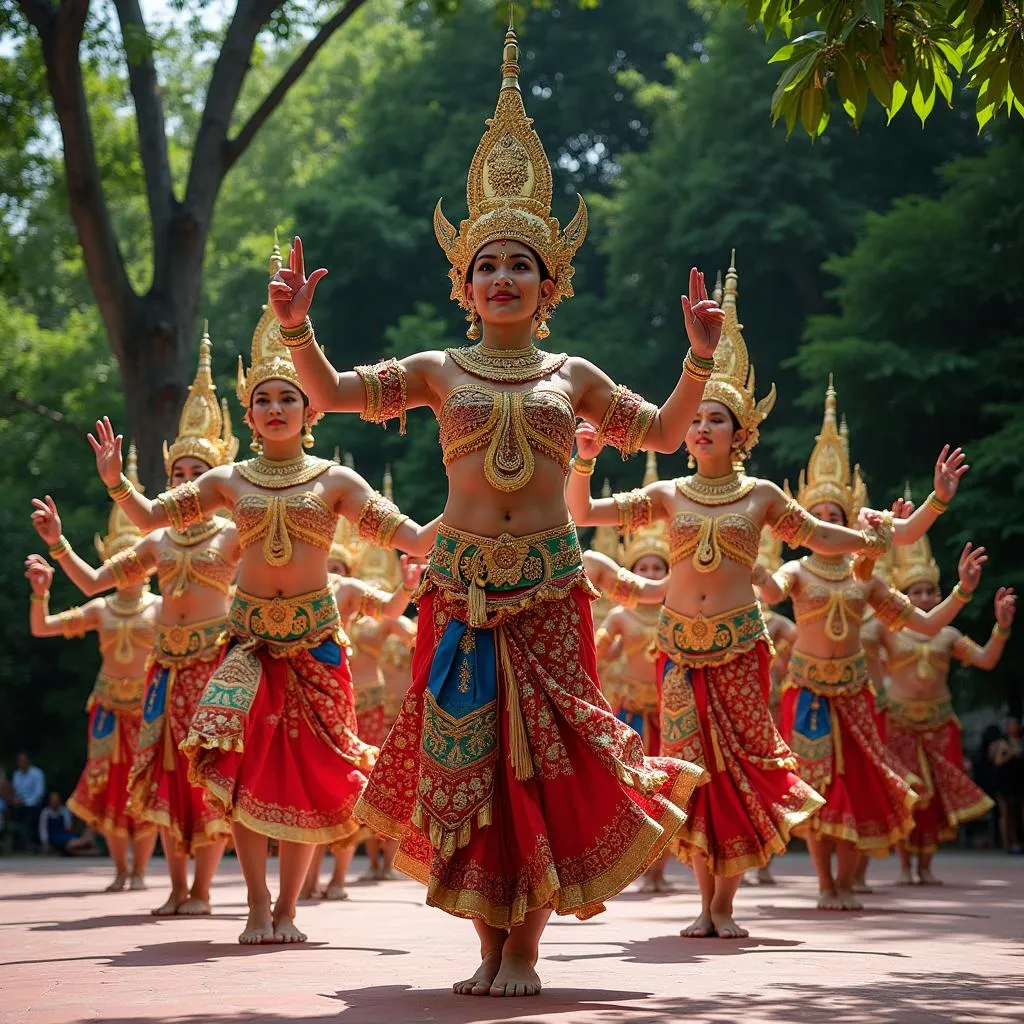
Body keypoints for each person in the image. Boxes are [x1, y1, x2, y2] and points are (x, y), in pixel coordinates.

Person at [268, 19, 711, 996]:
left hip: (549, 587)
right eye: (487, 265)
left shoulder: (575, 373)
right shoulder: (437, 366)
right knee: (467, 762)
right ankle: (482, 945)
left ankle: (526, 948)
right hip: (459, 588)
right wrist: (296, 331)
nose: (503, 277)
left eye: (521, 263)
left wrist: (700, 356)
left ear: (549, 282)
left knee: (543, 767)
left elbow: (669, 432)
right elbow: (335, 391)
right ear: (463, 283)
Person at [87, 248, 439, 947]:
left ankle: (289, 910)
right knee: (243, 773)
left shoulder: (336, 480)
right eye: (263, 400)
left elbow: (410, 536)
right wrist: (115, 483)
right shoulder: (230, 482)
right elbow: (156, 519)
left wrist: (474, 508)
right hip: (245, 645)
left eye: (288, 397)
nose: (276, 407)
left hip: (315, 642)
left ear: (310, 409)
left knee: (309, 777)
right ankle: (254, 906)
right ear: (249, 416)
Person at [571, 257, 879, 940]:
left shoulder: (762, 496)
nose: (702, 427)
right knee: (688, 771)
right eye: (697, 419)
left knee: (737, 772)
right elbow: (585, 511)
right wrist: (585, 453)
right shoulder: (667, 496)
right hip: (678, 648)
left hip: (740, 645)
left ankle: (724, 907)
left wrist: (869, 538)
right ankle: (700, 903)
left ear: (742, 433)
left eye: (716, 419)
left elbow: (819, 534)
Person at [32, 327, 237, 916]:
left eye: (196, 470)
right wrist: (60, 545)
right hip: (163, 669)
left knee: (204, 776)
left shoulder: (232, 534)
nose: (184, 480)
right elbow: (99, 581)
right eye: (177, 473)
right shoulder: (160, 541)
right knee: (162, 776)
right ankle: (176, 888)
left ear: (214, 478)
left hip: (211, 663)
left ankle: (202, 890)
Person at [759, 379, 984, 911]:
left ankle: (849, 880)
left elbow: (926, 625)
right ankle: (825, 884)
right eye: (821, 520)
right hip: (809, 691)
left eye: (837, 519)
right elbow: (766, 593)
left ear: (848, 525)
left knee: (863, 787)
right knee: (815, 786)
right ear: (807, 525)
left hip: (857, 691)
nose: (829, 527)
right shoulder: (795, 570)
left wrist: (961, 591)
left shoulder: (866, 582)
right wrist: (745, 559)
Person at [25, 450, 160, 890]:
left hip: (147, 707)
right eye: (120, 561)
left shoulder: (162, 609)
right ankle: (120, 868)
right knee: (105, 784)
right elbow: (42, 628)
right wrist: (41, 593)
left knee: (144, 785)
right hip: (106, 704)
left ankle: (139, 870)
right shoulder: (100, 609)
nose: (129, 569)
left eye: (136, 560)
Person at [868, 512, 1013, 883]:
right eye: (915, 592)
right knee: (906, 794)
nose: (924, 597)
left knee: (933, 798)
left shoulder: (947, 635)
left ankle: (926, 865)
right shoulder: (886, 631)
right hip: (897, 719)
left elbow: (986, 659)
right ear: (903, 595)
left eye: (929, 591)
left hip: (938, 721)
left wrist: (1001, 627)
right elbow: (861, 640)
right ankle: (903, 866)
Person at [592, 451, 674, 893]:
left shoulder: (676, 613)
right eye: (641, 568)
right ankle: (638, 869)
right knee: (635, 790)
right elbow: (597, 654)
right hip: (631, 713)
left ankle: (661, 870)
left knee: (665, 788)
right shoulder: (621, 616)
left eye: (656, 569)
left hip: (668, 711)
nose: (648, 574)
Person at [991, 715, 1024, 853]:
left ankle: (1019, 841)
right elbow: (997, 762)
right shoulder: (1002, 742)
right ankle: (1007, 843)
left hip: (1020, 780)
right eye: (1010, 725)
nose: (1012, 728)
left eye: (1014, 725)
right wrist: (1009, 754)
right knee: (1006, 813)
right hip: (1005, 782)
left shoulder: (1021, 741)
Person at [10, 752, 46, 852]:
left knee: (31, 814)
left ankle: (32, 842)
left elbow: (39, 793)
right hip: (20, 803)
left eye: (23, 761)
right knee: (12, 811)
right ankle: (17, 842)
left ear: (28, 761)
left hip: (33, 803)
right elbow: (15, 790)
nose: (21, 763)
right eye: (19, 761)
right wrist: (16, 800)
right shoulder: (17, 774)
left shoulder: (37, 773)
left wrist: (25, 802)